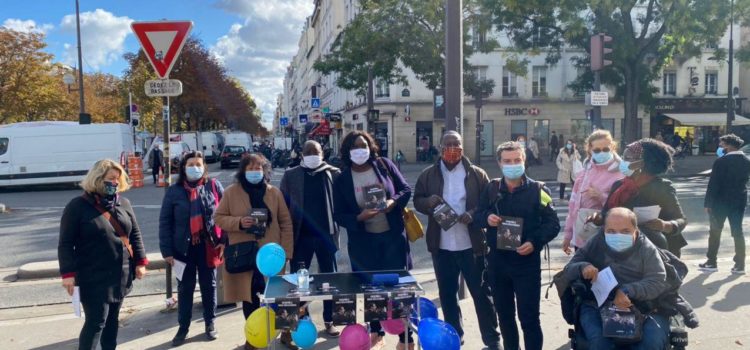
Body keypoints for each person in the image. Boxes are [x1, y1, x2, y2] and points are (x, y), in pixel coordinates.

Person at [413, 131, 500, 349]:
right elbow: (417, 200)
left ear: (463, 146)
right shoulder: (428, 175)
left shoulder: (477, 174)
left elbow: (489, 203)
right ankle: (455, 338)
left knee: (482, 295)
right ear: (440, 147)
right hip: (441, 247)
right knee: (448, 297)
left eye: (457, 144)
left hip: (472, 246)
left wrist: (473, 213)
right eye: (448, 144)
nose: (453, 148)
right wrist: (428, 202)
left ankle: (492, 340)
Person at [473, 141, 561, 350]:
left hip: (526, 264)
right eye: (507, 161)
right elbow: (477, 216)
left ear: (524, 161)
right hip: (497, 263)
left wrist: (534, 242)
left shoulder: (539, 189)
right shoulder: (492, 188)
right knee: (505, 317)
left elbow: (553, 224)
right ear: (500, 163)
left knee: (529, 318)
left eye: (517, 160)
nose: (513, 164)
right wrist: (488, 218)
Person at [332, 130, 412, 350]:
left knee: (398, 290)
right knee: (371, 290)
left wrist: (392, 202)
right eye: (355, 146)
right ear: (348, 151)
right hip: (363, 243)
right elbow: (338, 214)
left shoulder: (384, 165)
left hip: (392, 239)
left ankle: (406, 337)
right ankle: (376, 331)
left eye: (364, 145)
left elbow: (405, 189)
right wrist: (359, 217)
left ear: (371, 147)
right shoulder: (342, 179)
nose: (361, 150)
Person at [58, 159, 148, 350]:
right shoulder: (77, 206)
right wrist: (67, 274)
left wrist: (140, 262)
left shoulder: (123, 202)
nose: (115, 182)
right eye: (110, 178)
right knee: (96, 322)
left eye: (118, 178)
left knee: (112, 321)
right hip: (93, 276)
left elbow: (135, 234)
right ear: (98, 179)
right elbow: (65, 243)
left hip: (120, 274)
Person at [214, 153, 295, 350]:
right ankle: (253, 338)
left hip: (272, 256)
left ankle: (285, 334)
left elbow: (285, 223)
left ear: (264, 171)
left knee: (279, 297)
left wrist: (286, 253)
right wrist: (239, 222)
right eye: (249, 168)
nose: (254, 172)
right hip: (245, 255)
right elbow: (218, 217)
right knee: (250, 299)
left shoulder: (273, 192)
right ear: (242, 171)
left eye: (258, 168)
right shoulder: (232, 192)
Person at [561, 207, 671, 350]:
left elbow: (657, 281)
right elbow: (569, 269)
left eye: (625, 231)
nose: (618, 236)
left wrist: (627, 290)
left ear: (635, 231)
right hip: (597, 304)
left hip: (643, 306)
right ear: (604, 230)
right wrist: (583, 266)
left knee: (650, 344)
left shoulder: (647, 248)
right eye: (611, 231)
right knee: (600, 344)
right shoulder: (596, 242)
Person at [159, 151, 226, 346]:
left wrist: (224, 240)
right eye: (191, 164)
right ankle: (183, 327)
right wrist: (167, 251)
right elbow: (165, 222)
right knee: (185, 288)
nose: (195, 167)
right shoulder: (174, 191)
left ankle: (210, 323)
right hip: (183, 249)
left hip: (208, 246)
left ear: (204, 166)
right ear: (183, 168)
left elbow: (224, 213)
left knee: (209, 286)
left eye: (199, 164)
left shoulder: (214, 185)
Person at [279, 140, 342, 337]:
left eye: (316, 152)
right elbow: (282, 203)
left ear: (322, 154)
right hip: (301, 237)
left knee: (328, 279)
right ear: (302, 155)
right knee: (299, 283)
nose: (313, 155)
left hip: (326, 236)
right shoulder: (291, 175)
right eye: (308, 152)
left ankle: (329, 320)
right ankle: (303, 318)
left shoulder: (333, 172)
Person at [590, 138, 688, 257]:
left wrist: (664, 225)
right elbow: (606, 214)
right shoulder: (619, 185)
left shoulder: (662, 187)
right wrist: (598, 218)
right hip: (625, 249)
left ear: (643, 162)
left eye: (628, 159)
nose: (623, 161)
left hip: (660, 250)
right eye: (623, 157)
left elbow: (681, 220)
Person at [562, 130, 624, 254]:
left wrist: (601, 197)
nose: (601, 153)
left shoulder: (620, 173)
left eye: (606, 149)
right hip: (582, 236)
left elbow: (624, 208)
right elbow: (573, 207)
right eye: (597, 150)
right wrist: (568, 235)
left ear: (612, 147)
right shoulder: (584, 172)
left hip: (605, 238)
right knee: (582, 271)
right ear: (590, 150)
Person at [700, 134, 750, 274]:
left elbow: (714, 184)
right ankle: (740, 264)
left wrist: (708, 202)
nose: (720, 147)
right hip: (739, 199)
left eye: (722, 144)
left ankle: (712, 262)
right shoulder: (746, 161)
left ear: (728, 145)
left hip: (720, 202)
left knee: (715, 232)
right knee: (737, 232)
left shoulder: (721, 162)